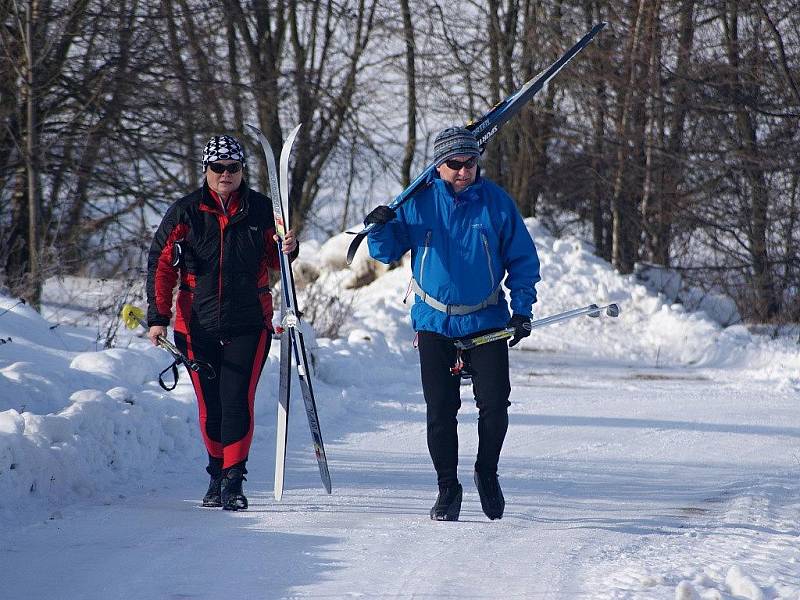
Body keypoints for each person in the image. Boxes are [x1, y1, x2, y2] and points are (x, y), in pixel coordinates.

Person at [365, 126, 540, 521]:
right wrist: (380, 225)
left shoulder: (495, 204)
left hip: (485, 318)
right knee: (440, 409)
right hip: (434, 321)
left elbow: (524, 261)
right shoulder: (417, 202)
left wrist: (522, 309)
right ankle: (447, 488)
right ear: (438, 166)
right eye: (454, 164)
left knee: (495, 404)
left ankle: (486, 472)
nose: (463, 171)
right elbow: (385, 251)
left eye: (470, 163)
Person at [146, 134, 297, 511]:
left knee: (236, 402)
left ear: (242, 171)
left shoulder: (262, 210)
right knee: (210, 406)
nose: (225, 174)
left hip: (250, 322)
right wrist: (157, 317)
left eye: (232, 168)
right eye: (218, 168)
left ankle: (234, 479)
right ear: (206, 170)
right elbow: (161, 264)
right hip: (196, 324)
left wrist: (289, 249)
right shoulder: (186, 211)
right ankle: (215, 473)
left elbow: (279, 264)